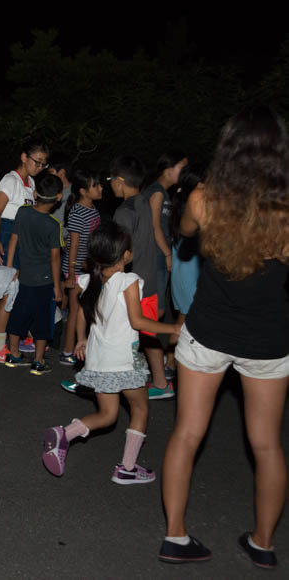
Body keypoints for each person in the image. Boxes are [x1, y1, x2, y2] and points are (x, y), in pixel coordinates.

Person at [159, 107, 289, 568]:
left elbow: (188, 234)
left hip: (208, 331)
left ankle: (175, 536)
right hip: (268, 339)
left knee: (187, 433)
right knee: (268, 444)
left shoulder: (203, 198)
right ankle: (263, 543)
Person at [42, 221, 179, 483]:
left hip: (99, 358)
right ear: (125, 254)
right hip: (123, 361)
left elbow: (81, 310)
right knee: (140, 410)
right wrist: (173, 328)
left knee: (107, 415)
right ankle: (127, 467)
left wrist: (81, 339)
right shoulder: (128, 281)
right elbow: (138, 322)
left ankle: (64, 434)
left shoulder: (94, 280)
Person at [109, 156, 174, 400]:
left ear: (120, 181)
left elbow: (121, 253)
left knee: (118, 333)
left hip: (130, 284)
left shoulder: (124, 211)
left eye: (111, 179)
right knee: (147, 334)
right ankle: (160, 382)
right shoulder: (145, 203)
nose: (110, 185)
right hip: (149, 279)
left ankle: (110, 383)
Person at [0, 136, 49, 363]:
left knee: (6, 292)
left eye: (43, 164)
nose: (40, 167)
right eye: (37, 161)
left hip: (20, 237)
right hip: (5, 234)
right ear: (24, 157)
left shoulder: (30, 183)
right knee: (8, 292)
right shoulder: (10, 180)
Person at [3, 173, 63, 375]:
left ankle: (13, 355)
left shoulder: (23, 212)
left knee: (18, 314)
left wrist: (10, 268)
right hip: (44, 282)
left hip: (24, 277)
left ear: (36, 193)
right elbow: (55, 258)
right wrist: (57, 286)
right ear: (59, 197)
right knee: (42, 320)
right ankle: (38, 361)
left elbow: (13, 240)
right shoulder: (53, 225)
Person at [141, 151, 188, 374]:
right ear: (167, 170)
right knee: (154, 312)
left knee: (156, 311)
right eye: (181, 168)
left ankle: (142, 354)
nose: (184, 173)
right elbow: (154, 227)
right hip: (156, 258)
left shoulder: (164, 193)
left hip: (159, 257)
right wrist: (168, 254)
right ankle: (138, 353)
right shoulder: (157, 192)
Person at [58, 166, 103, 375]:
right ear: (84, 191)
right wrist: (72, 274)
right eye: (96, 186)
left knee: (84, 310)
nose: (101, 188)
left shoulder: (92, 209)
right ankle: (67, 350)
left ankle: (78, 346)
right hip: (75, 269)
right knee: (76, 310)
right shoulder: (77, 211)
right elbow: (73, 245)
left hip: (87, 267)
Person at [165, 162, 207, 375]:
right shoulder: (190, 206)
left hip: (186, 270)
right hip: (188, 272)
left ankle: (170, 362)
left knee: (184, 320)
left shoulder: (181, 202)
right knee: (183, 321)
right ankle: (170, 364)